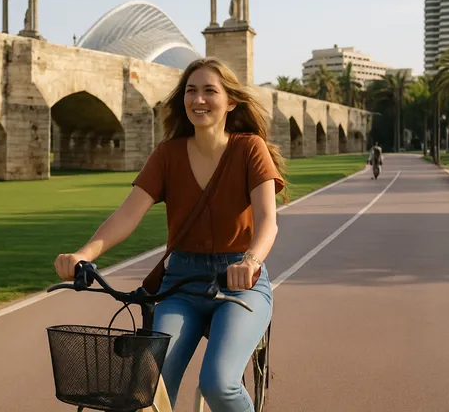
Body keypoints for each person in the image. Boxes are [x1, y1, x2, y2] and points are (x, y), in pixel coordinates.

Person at [54, 57, 286, 411]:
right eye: (191, 91)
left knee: (219, 384)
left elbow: (268, 220)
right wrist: (84, 254)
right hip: (181, 283)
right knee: (148, 388)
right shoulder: (167, 155)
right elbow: (127, 215)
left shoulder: (248, 149)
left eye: (210, 91)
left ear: (231, 102)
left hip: (241, 281)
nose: (199, 100)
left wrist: (251, 260)